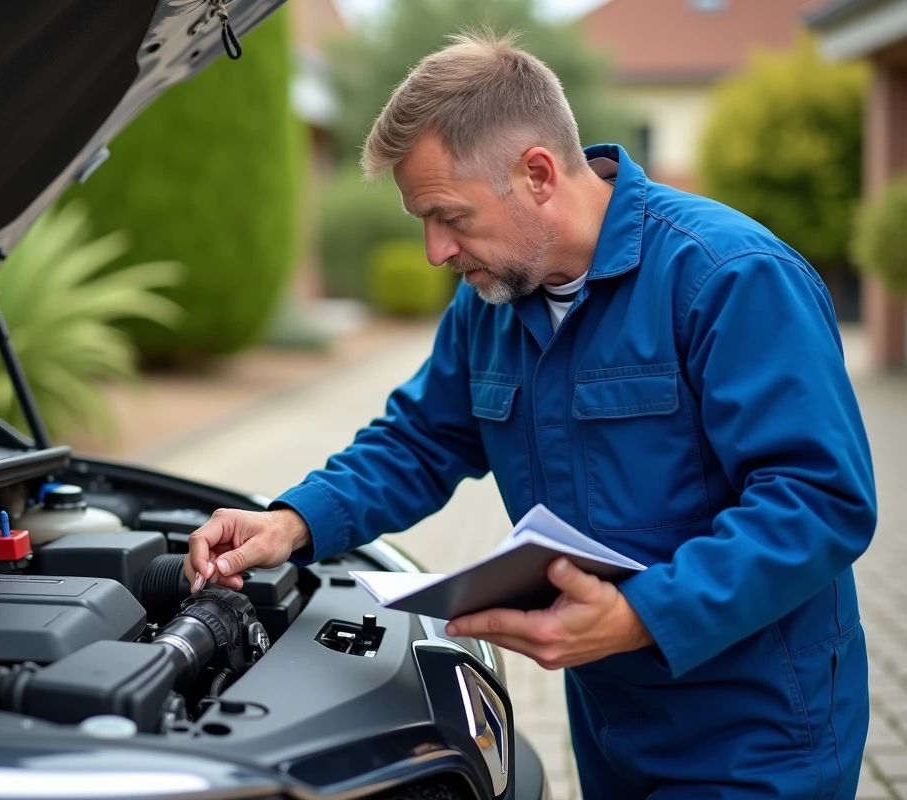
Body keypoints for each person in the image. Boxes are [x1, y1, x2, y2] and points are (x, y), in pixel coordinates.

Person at [181, 28, 877, 800]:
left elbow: (819, 500)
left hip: (757, 731)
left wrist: (641, 614)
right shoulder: (491, 303)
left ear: (537, 174)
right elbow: (419, 440)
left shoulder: (729, 279)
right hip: (610, 717)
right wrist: (292, 521)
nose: (434, 251)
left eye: (448, 215)